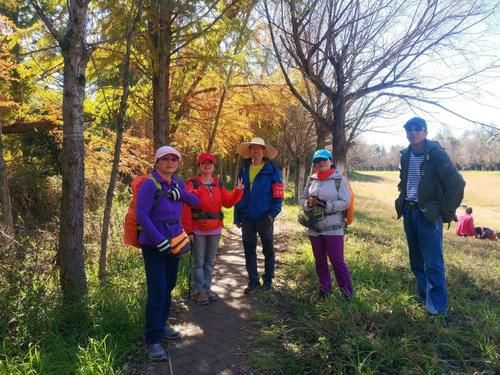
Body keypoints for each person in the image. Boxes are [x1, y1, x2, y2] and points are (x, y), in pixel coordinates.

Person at [395, 117, 465, 321]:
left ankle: (437, 310)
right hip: (410, 212)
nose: (413, 133)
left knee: (433, 262)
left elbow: (457, 183)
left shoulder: (436, 154)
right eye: (409, 129)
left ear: (425, 132)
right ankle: (425, 298)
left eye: (418, 129)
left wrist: (445, 210)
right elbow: (405, 180)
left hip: (428, 215)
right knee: (416, 260)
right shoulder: (406, 154)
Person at [136, 145, 200, 361]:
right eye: (165, 159)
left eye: (174, 159)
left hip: (174, 242)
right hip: (154, 245)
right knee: (158, 288)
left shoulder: (178, 184)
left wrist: (181, 193)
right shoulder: (149, 185)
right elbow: (142, 216)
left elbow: (196, 201)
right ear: (157, 162)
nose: (170, 162)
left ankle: (161, 325)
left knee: (169, 285)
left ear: (178, 163)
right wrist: (158, 240)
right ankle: (152, 339)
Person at [182, 151, 244, 305]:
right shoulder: (192, 184)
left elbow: (228, 203)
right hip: (197, 229)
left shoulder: (218, 184)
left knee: (209, 262)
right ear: (199, 165)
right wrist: (188, 231)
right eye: (204, 163)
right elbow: (186, 209)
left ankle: (207, 287)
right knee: (199, 261)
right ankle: (199, 290)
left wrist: (238, 191)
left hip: (215, 229)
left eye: (210, 163)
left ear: (214, 166)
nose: (207, 165)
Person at [299, 149, 353, 299]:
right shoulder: (311, 180)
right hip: (314, 228)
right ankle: (325, 289)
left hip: (333, 228)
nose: (321, 163)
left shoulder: (339, 180)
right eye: (317, 161)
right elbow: (302, 199)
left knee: (337, 261)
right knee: (320, 260)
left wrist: (326, 205)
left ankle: (346, 292)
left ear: (331, 162)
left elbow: (346, 202)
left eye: (324, 160)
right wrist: (308, 203)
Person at [234, 137, 284, 293]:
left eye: (259, 148)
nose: (256, 151)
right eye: (253, 148)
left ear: (264, 151)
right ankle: (253, 281)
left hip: (265, 216)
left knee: (268, 250)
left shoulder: (272, 170)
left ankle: (268, 280)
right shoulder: (243, 169)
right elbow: (238, 193)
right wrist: (237, 216)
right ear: (249, 152)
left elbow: (278, 192)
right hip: (247, 217)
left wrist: (273, 214)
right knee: (249, 251)